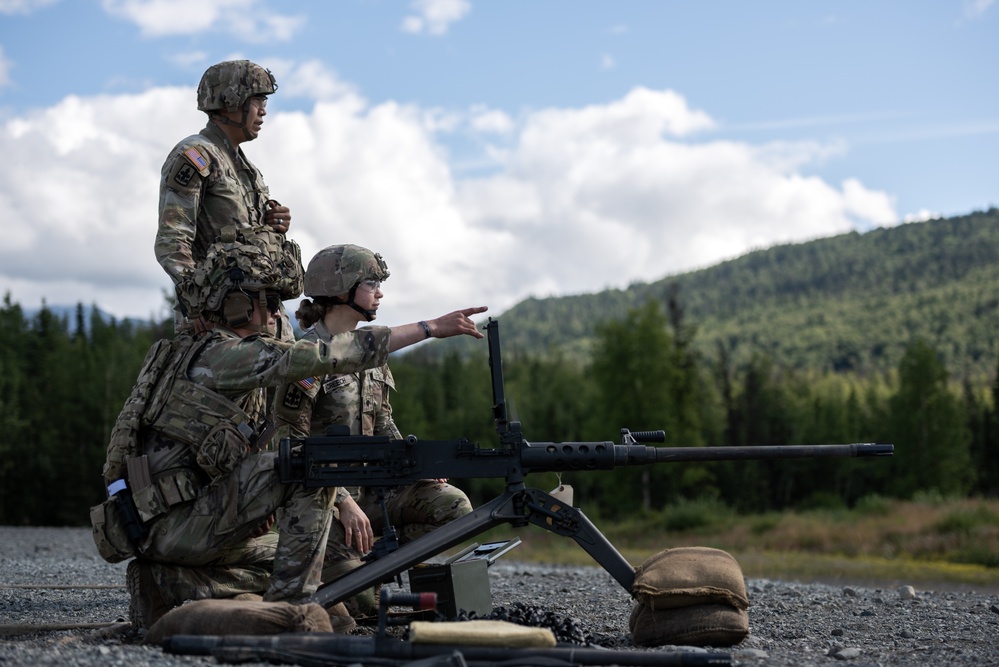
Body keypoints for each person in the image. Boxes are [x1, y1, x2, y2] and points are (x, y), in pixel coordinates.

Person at [93, 233, 486, 630]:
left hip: (162, 522)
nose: (275, 314)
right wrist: (429, 327)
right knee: (308, 466)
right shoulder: (223, 356)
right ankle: (290, 614)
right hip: (173, 526)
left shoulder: (189, 352)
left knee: (304, 570)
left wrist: (254, 503)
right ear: (237, 305)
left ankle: (165, 584)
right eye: (267, 302)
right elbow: (322, 361)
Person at [272, 245, 473, 614]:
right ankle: (351, 572)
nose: (379, 293)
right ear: (340, 289)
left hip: (372, 494)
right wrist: (343, 501)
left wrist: (416, 467)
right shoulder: (306, 357)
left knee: (455, 509)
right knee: (363, 606)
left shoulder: (371, 356)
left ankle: (374, 564)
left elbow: (383, 422)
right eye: (371, 284)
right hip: (321, 503)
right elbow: (289, 442)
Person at [154, 59, 300, 338]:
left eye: (264, 101)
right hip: (219, 321)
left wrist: (273, 226)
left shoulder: (247, 169)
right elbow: (171, 241)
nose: (263, 110)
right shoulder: (196, 156)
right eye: (256, 100)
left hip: (260, 315)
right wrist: (197, 304)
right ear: (231, 101)